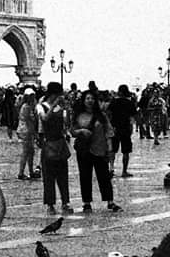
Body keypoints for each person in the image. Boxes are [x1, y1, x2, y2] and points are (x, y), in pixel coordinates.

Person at [71, 89, 122, 213]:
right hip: (84, 150)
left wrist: (110, 149)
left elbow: (108, 132)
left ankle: (110, 201)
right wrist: (81, 131)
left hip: (99, 149)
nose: (90, 101)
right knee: (85, 176)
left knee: (104, 176)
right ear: (83, 101)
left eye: (92, 99)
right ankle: (86, 202)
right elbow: (72, 131)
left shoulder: (101, 116)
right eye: (87, 98)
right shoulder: (78, 116)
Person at [37, 82, 72, 213]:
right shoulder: (41, 106)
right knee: (48, 176)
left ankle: (65, 202)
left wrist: (66, 110)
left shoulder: (59, 107)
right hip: (48, 143)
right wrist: (54, 106)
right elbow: (45, 118)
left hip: (60, 142)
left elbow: (66, 123)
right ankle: (50, 204)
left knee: (63, 174)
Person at [107, 84, 137, 178]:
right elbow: (133, 117)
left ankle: (111, 168)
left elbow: (108, 114)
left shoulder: (113, 102)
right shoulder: (130, 103)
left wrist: (110, 126)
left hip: (115, 128)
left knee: (113, 150)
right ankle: (124, 171)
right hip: (125, 128)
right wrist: (131, 127)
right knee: (126, 151)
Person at [16, 88, 39, 180]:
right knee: (26, 152)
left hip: (27, 130)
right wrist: (35, 133)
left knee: (31, 152)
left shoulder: (27, 106)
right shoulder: (26, 107)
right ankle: (21, 172)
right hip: (26, 131)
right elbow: (29, 121)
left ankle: (30, 171)